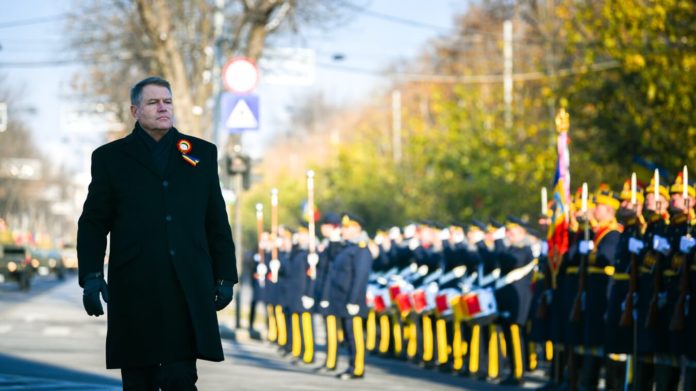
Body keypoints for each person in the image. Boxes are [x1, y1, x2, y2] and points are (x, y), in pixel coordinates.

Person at [77, 76, 237, 391]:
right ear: (135, 111)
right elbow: (94, 222)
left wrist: (226, 276)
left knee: (180, 378)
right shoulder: (111, 158)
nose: (163, 108)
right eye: (153, 102)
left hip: (186, 284)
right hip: (135, 286)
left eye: (167, 101)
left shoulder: (200, 153)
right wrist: (92, 277)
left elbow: (216, 220)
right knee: (140, 381)